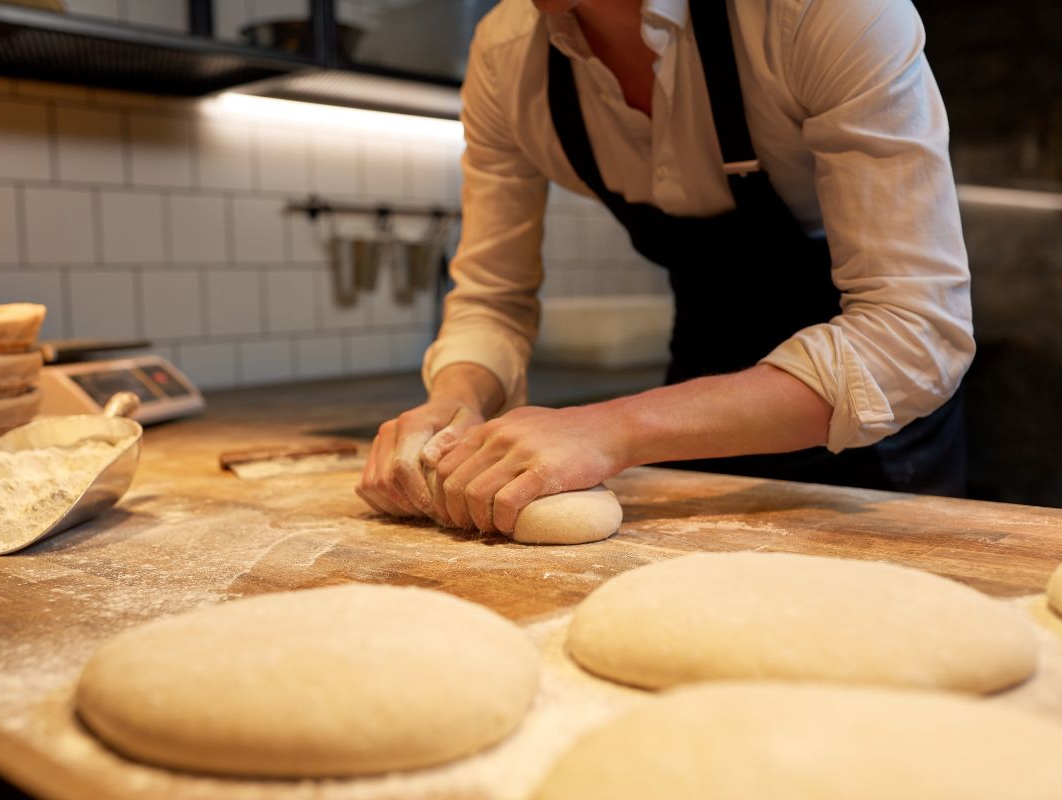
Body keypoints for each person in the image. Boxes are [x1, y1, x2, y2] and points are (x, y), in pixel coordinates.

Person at [356, 0, 973, 536]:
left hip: (870, 424)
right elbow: (491, 298)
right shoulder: (504, 55)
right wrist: (456, 399)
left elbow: (914, 332)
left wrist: (614, 428)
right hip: (697, 390)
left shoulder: (815, 14)